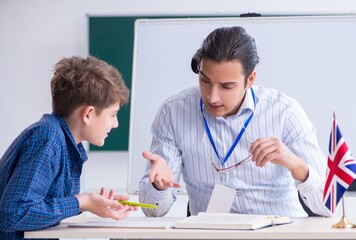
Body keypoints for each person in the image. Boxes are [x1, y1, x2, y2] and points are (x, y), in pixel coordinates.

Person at [138, 26, 332, 218]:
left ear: (250, 79)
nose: (213, 97)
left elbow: (329, 206)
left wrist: (296, 165)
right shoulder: (173, 112)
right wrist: (158, 186)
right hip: (210, 235)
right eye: (205, 81)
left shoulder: (285, 112)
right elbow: (151, 209)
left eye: (227, 86)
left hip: (277, 234)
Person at [0, 56, 137, 240]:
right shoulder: (48, 138)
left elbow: (37, 209)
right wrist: (82, 202)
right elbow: (14, 214)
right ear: (88, 114)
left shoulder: (61, 141)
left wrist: (91, 203)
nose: (116, 124)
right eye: (113, 115)